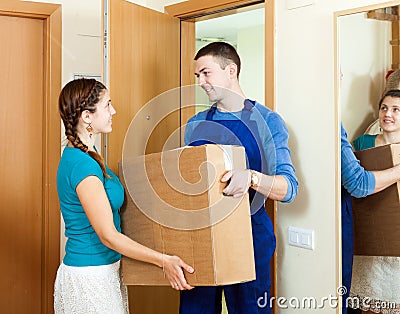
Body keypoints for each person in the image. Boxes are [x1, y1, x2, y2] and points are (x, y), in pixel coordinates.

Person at [54, 78, 194, 313]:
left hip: (104, 271)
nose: (113, 111)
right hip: (90, 278)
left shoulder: (89, 154)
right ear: (87, 117)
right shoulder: (82, 166)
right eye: (107, 105)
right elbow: (108, 236)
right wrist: (163, 260)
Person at [180, 42, 298, 314]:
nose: (201, 81)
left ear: (231, 70)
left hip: (250, 240)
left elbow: (289, 189)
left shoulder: (268, 122)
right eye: (197, 75)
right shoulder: (195, 124)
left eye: (206, 73)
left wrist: (253, 178)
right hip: (200, 241)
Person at [348, 89, 400, 313]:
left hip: (396, 235)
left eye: (396, 110)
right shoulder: (362, 143)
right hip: (370, 235)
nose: (388, 114)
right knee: (371, 304)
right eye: (384, 108)